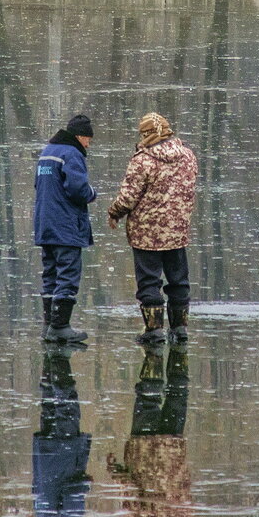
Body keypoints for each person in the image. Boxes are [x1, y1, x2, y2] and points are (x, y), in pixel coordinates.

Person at [107, 112, 198, 344]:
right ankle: (180, 329)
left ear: (146, 134)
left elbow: (128, 198)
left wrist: (114, 212)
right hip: (177, 232)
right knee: (178, 281)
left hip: (147, 233)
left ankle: (154, 331)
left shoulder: (142, 161)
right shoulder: (188, 156)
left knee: (149, 281)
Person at [106, 346, 191, 517]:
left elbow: (186, 487)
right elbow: (132, 489)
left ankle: (180, 346)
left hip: (172, 447)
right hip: (144, 449)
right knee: (148, 397)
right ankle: (154, 349)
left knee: (178, 394)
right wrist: (116, 472)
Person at [34, 114, 98, 344]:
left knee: (50, 274)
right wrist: (92, 193)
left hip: (45, 224)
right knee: (67, 274)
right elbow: (78, 189)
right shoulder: (72, 154)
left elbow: (38, 186)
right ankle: (60, 326)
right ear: (80, 136)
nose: (89, 144)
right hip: (66, 226)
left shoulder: (47, 152)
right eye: (88, 139)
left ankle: (48, 325)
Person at [32, 347, 92, 517]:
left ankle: (59, 357)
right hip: (45, 453)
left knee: (68, 406)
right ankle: (49, 362)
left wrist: (86, 484)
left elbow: (72, 491)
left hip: (64, 454)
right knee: (49, 405)